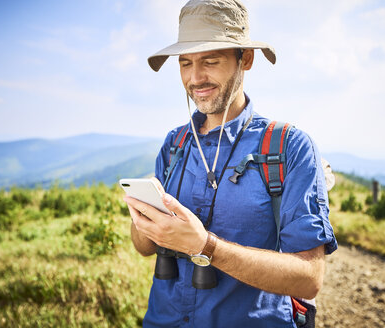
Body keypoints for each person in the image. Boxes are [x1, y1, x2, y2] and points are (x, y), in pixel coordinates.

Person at [123, 0, 337, 327]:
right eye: (184, 64)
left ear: (245, 59)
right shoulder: (174, 144)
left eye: (211, 61)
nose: (195, 78)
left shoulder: (289, 147)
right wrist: (144, 220)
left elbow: (308, 279)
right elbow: (144, 248)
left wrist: (205, 246)